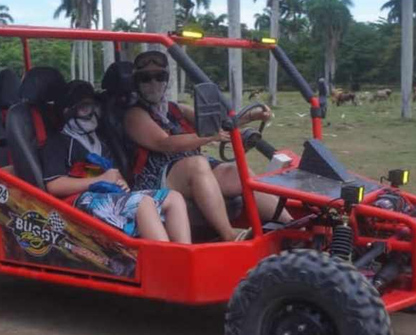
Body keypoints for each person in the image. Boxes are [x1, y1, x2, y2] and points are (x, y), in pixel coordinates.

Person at [123, 51, 291, 242]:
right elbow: (164, 143)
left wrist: (252, 116)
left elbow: (218, 123)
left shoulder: (175, 109)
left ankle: (290, 226)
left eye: (159, 77)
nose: (153, 83)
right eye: (146, 78)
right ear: (137, 82)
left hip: (190, 170)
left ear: (166, 80)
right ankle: (228, 234)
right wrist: (208, 137)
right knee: (197, 164)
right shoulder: (134, 114)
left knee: (238, 172)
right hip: (154, 179)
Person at [42, 80, 192, 244]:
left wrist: (120, 182)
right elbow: (54, 185)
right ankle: (168, 261)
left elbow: (112, 174)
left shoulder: (100, 140)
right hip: (77, 202)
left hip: (107, 195)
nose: (92, 114)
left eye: (95, 107)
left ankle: (184, 255)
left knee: (174, 198)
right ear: (68, 112)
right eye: (85, 108)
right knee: (142, 203)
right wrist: (99, 180)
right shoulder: (58, 143)